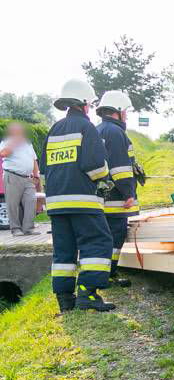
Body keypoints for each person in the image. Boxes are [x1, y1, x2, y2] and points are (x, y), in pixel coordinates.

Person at [40, 79, 114, 312]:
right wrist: (105, 178)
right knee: (98, 242)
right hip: (83, 200)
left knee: (64, 250)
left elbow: (43, 168)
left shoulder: (54, 129)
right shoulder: (86, 127)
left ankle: (65, 299)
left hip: (56, 203)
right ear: (83, 103)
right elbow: (95, 166)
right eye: (90, 105)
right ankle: (87, 294)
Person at [96, 91, 139, 288]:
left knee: (102, 236)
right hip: (115, 198)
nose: (127, 116)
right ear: (118, 111)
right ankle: (109, 273)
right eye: (126, 112)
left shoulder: (97, 130)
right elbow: (120, 168)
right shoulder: (115, 132)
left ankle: (104, 273)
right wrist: (129, 193)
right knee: (115, 235)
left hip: (100, 196)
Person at [0, 122, 41, 235]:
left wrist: (36, 174)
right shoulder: (6, 142)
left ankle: (28, 228)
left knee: (30, 202)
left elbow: (33, 160)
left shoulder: (28, 144)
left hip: (28, 178)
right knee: (13, 204)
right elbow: (3, 154)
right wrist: (14, 143)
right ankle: (16, 229)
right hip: (12, 176)